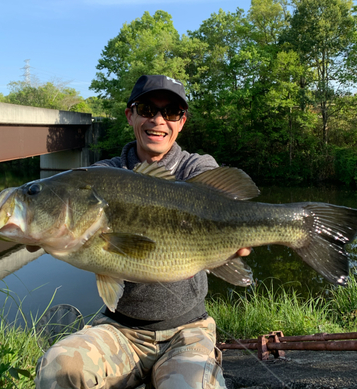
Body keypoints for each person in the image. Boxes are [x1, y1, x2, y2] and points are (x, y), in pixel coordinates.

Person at [34, 74, 251, 389]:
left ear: (182, 121)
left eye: (171, 112)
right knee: (60, 367)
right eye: (147, 109)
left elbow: (221, 197)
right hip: (121, 330)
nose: (158, 120)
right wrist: (35, 227)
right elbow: (63, 210)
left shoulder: (196, 168)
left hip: (187, 333)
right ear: (130, 115)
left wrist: (236, 234)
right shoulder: (102, 177)